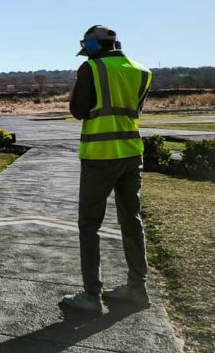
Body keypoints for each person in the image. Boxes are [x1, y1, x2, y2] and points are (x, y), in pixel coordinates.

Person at [60, 25, 153, 314]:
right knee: (132, 221)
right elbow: (133, 111)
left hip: (99, 155)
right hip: (131, 153)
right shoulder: (142, 71)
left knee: (89, 225)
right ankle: (137, 288)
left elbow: (78, 110)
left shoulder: (92, 68)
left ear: (94, 46)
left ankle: (92, 295)